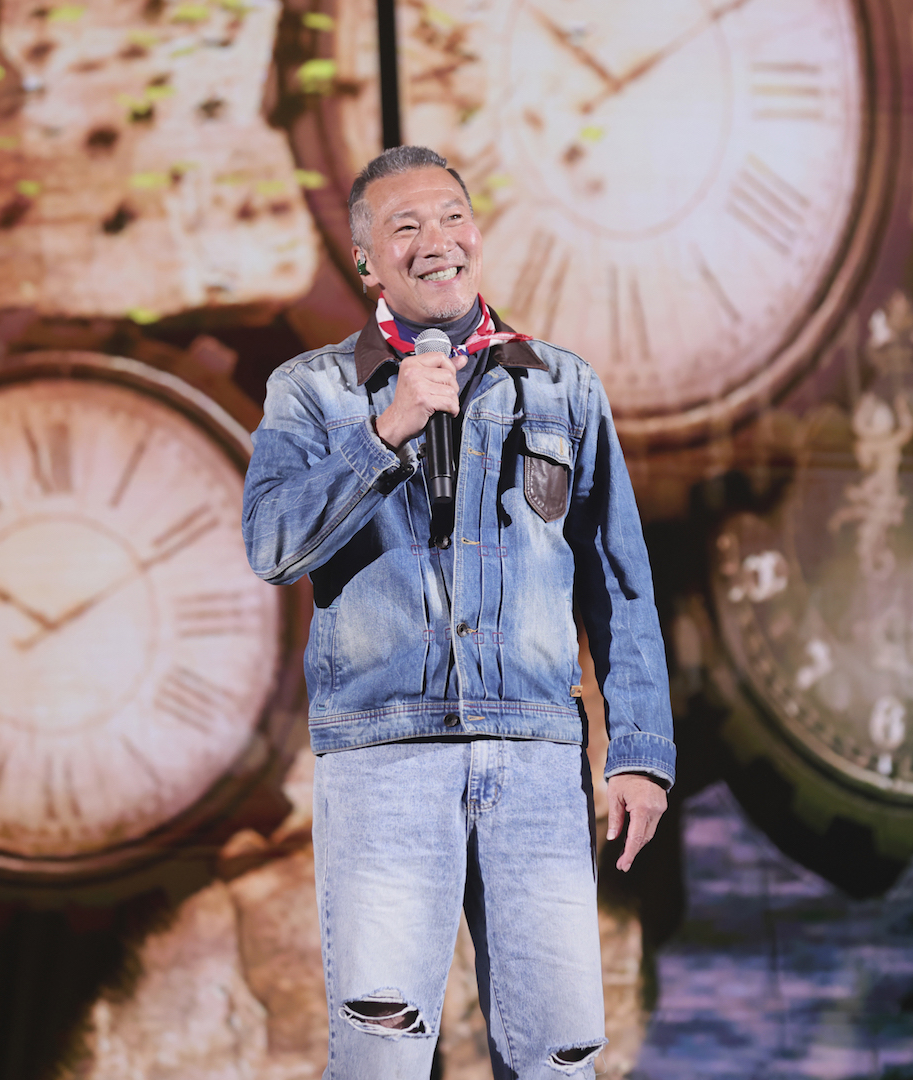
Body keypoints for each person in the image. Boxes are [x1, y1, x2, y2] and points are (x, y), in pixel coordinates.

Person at [242, 145, 674, 1079]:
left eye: (451, 217)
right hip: (384, 757)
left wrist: (640, 752)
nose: (436, 240)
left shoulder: (561, 384)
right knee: (382, 1054)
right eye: (405, 227)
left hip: (536, 759)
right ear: (368, 263)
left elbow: (619, 582)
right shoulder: (311, 391)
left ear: (476, 234)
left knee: (559, 1056)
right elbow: (271, 545)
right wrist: (383, 433)